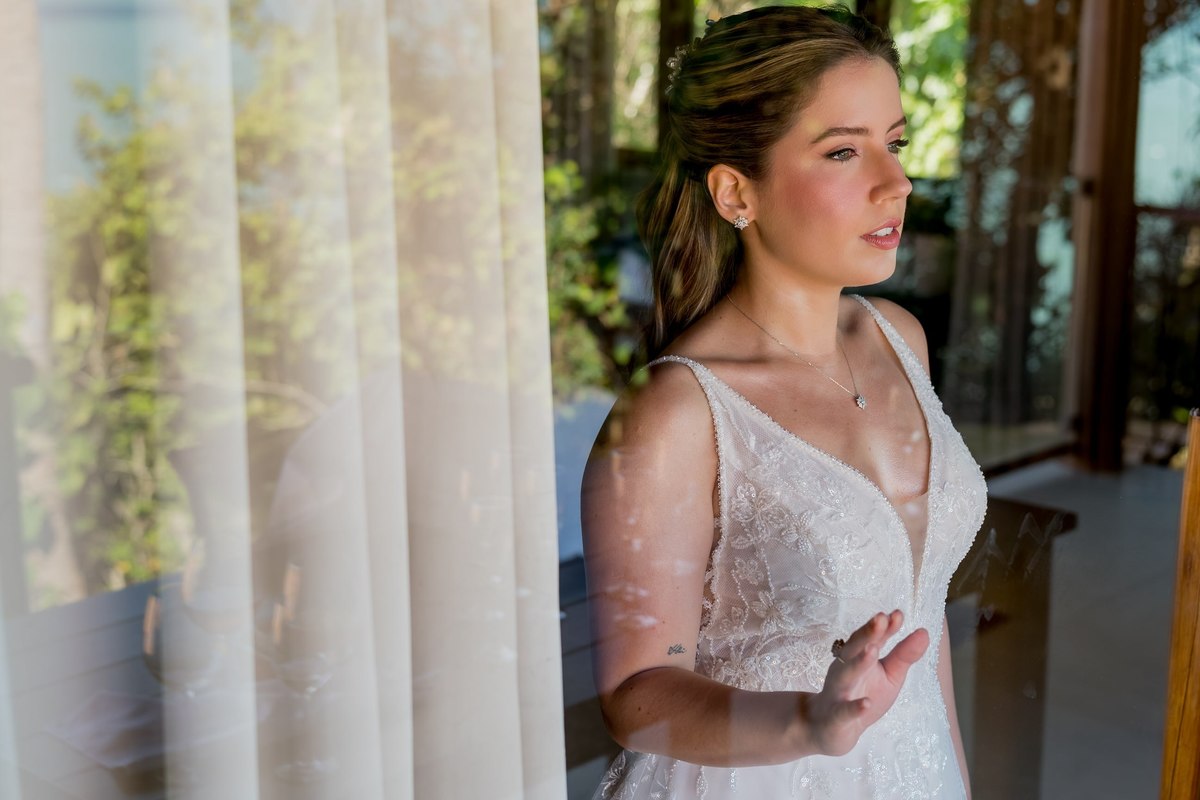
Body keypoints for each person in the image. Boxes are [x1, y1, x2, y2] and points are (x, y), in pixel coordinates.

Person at [581, 5, 987, 798]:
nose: (896, 183)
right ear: (737, 192)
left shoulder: (899, 339)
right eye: (843, 151)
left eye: (896, 144)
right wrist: (810, 723)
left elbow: (919, 625)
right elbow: (635, 696)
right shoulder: (679, 411)